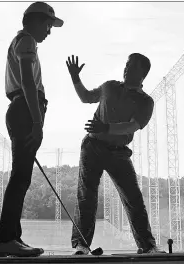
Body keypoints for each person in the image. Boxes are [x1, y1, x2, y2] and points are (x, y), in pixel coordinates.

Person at [66, 54, 166, 255]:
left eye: (133, 67)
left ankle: (147, 246)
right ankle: (81, 245)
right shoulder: (109, 86)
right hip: (92, 146)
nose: (127, 69)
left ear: (143, 73)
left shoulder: (145, 101)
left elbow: (132, 126)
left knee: (133, 198)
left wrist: (106, 127)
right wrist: (75, 78)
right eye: (127, 65)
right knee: (87, 196)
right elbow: (86, 97)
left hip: (118, 153)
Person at [0, 2, 63, 257]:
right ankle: (6, 239)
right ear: (35, 20)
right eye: (48, 25)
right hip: (25, 111)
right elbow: (27, 82)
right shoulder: (27, 41)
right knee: (20, 178)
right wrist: (36, 121)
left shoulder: (23, 41)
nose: (49, 31)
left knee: (21, 178)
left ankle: (12, 238)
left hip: (23, 110)